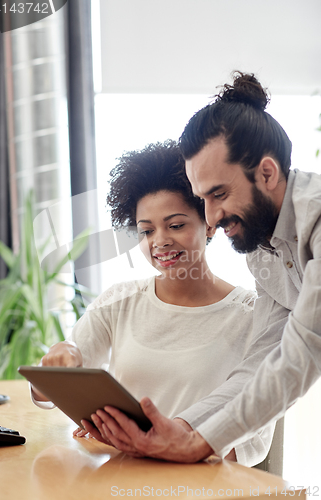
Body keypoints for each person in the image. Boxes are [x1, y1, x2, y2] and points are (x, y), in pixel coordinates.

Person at [90, 72, 321, 463]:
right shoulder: (264, 252)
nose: (210, 218)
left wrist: (199, 442)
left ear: (267, 173)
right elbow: (260, 363)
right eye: (203, 199)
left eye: (219, 194)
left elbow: (303, 352)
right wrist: (183, 427)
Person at [31, 140, 275, 466]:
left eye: (175, 225)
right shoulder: (120, 301)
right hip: (121, 476)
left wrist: (172, 445)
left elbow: (254, 444)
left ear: (210, 224)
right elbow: (46, 395)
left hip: (202, 486)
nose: (159, 241)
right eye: (147, 231)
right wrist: (59, 362)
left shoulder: (252, 316)